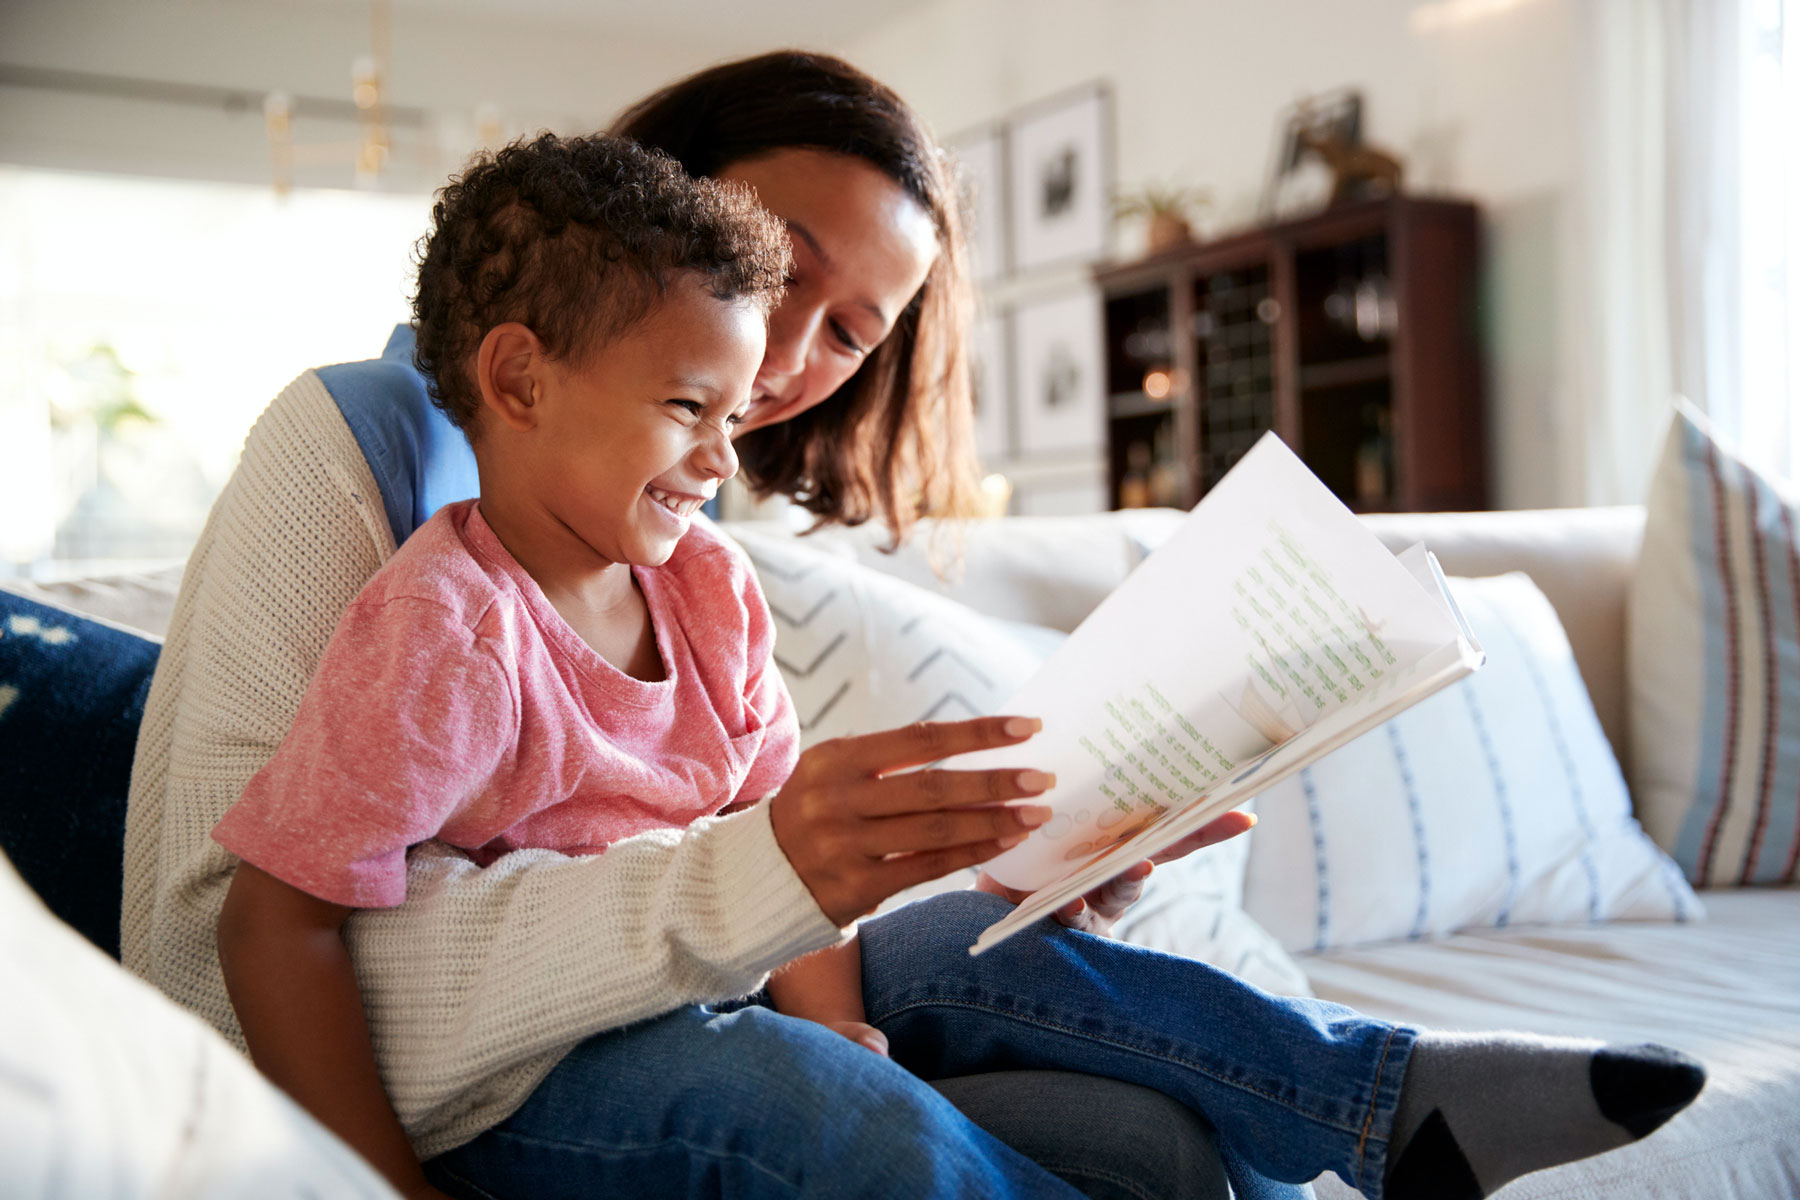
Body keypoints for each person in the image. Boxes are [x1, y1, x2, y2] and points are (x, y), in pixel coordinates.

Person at [210, 134, 1703, 1200]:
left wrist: (849, 1022)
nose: (726, 456)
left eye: (741, 411)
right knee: (821, 1113)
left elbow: (773, 855)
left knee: (1020, 983)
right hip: (543, 1076)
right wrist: (377, 1179)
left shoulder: (712, 591)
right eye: (688, 408)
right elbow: (275, 924)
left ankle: (1380, 1102)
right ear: (520, 379)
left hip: (724, 993)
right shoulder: (444, 624)